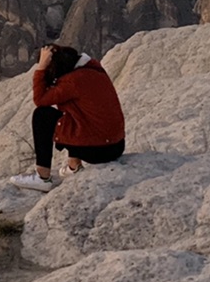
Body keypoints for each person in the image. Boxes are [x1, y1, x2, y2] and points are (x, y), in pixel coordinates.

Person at [8, 44, 125, 192]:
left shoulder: (73, 81)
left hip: (98, 151)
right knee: (75, 115)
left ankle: (42, 177)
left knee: (42, 115)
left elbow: (40, 99)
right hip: (116, 146)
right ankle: (74, 167)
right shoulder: (93, 69)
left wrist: (41, 67)